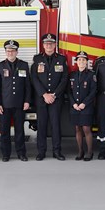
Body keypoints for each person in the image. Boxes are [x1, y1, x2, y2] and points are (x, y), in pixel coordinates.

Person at [31, 33, 68, 161]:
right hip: (41, 99)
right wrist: (44, 94)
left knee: (56, 125)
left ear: (55, 45)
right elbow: (34, 78)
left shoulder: (62, 59)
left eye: (51, 43)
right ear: (43, 45)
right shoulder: (37, 59)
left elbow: (64, 79)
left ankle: (57, 151)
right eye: (46, 43)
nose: (49, 45)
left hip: (56, 99)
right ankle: (41, 152)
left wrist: (54, 94)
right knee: (41, 125)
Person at [0, 40, 31, 162]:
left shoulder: (24, 65)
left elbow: (27, 86)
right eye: (8, 51)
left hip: (19, 104)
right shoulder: (0, 66)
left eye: (12, 50)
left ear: (17, 52)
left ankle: (21, 153)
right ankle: (6, 154)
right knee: (4, 131)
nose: (10, 53)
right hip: (5, 105)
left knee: (19, 130)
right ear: (5, 52)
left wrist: (27, 101)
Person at [68, 51, 97, 161]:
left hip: (86, 106)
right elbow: (69, 91)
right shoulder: (72, 75)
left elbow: (93, 91)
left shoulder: (91, 75)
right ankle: (80, 151)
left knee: (86, 129)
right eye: (79, 60)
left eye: (83, 60)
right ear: (76, 62)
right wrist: (74, 104)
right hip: (75, 107)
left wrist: (84, 103)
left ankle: (89, 152)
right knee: (77, 129)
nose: (81, 62)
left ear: (87, 62)